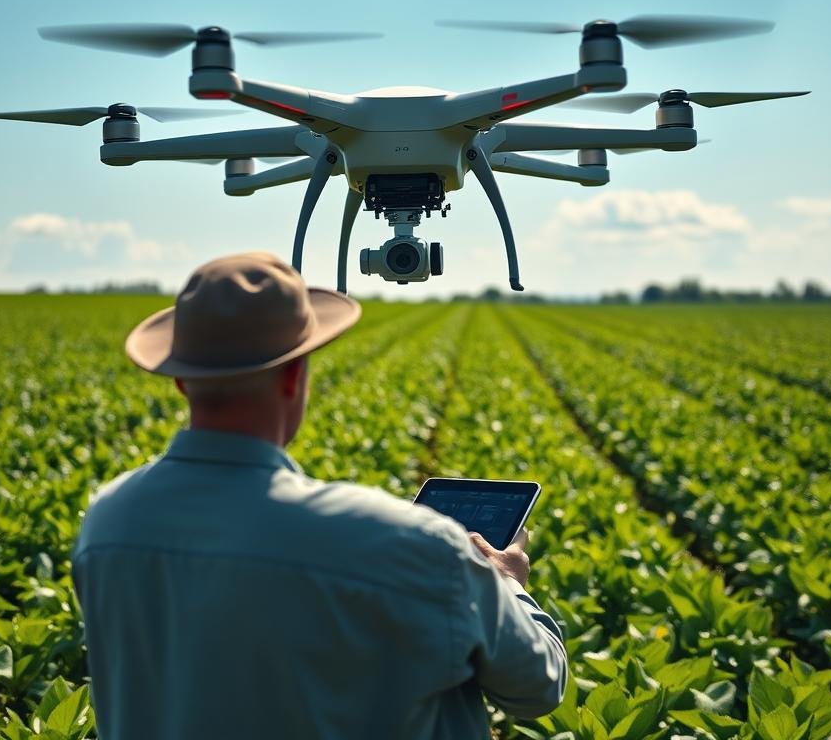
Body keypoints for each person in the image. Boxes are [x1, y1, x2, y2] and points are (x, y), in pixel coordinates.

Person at [71, 251, 568, 740]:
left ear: (181, 380)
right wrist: (506, 584)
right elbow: (536, 687)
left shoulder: (109, 518)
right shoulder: (411, 544)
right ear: (294, 374)